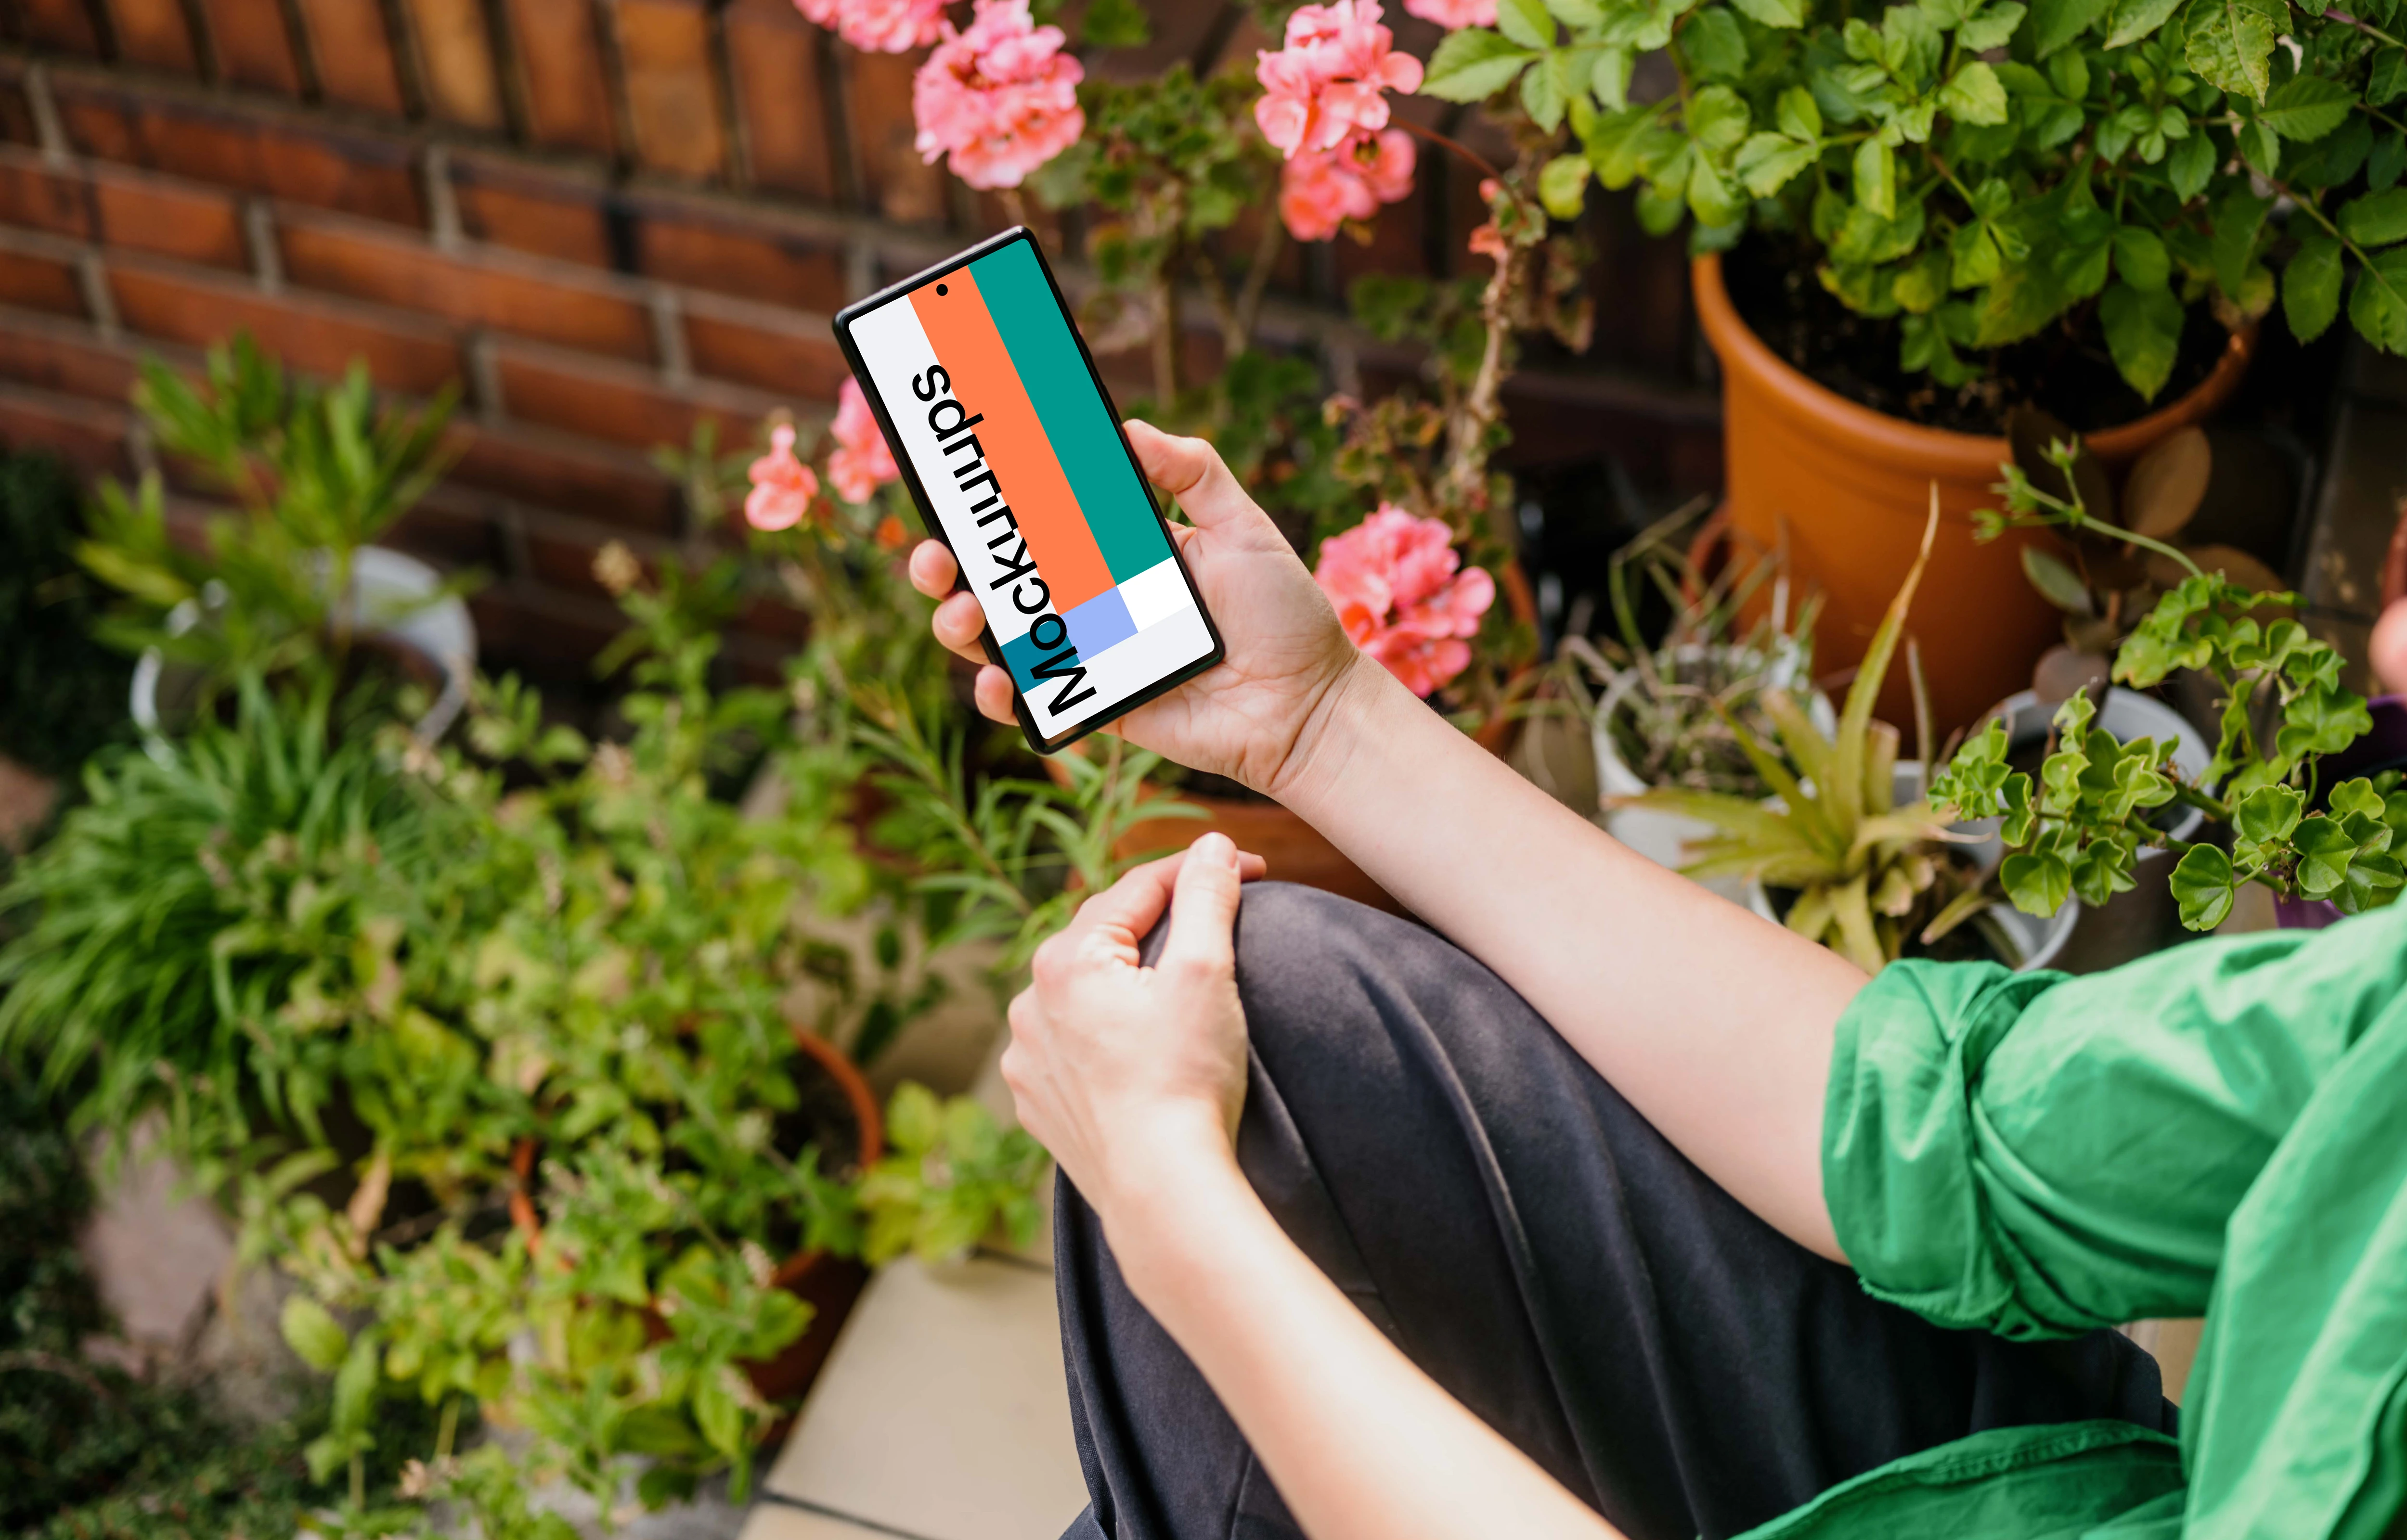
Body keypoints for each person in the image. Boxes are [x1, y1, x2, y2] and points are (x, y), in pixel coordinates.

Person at [903, 423, 2407, 1540]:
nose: (2389, 624)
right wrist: (1318, 724)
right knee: (1272, 1011)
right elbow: (1943, 1124)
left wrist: (1170, 1206)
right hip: (2040, 1501)